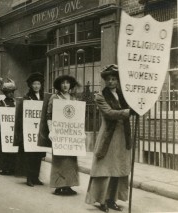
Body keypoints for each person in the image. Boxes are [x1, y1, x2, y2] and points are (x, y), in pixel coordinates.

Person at [85, 64, 133, 212]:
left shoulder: (124, 96)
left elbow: (133, 109)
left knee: (118, 168)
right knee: (105, 168)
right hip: (108, 136)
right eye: (109, 79)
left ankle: (112, 199)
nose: (111, 82)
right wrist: (127, 112)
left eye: (114, 79)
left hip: (122, 136)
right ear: (105, 81)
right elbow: (109, 113)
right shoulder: (100, 96)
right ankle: (101, 200)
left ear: (118, 81)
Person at [47, 75, 80, 195]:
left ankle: (68, 185)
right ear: (59, 85)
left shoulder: (73, 98)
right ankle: (58, 185)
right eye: (63, 83)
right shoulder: (54, 97)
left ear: (70, 85)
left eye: (67, 83)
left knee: (71, 159)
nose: (65, 85)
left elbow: (77, 116)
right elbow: (49, 115)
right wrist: (51, 130)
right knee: (59, 159)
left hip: (71, 133)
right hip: (59, 132)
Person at [19, 73, 46, 187]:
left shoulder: (44, 97)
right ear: (30, 85)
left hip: (39, 129)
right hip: (30, 129)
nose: (36, 86)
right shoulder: (27, 98)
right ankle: (29, 177)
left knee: (39, 154)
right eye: (34, 84)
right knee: (30, 154)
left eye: (38, 84)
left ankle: (36, 177)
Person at [0, 79, 17, 175]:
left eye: (12, 92)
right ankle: (4, 167)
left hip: (13, 130)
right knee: (4, 150)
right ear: (5, 93)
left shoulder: (16, 103)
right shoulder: (1, 103)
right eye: (9, 93)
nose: (11, 94)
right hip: (3, 131)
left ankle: (13, 167)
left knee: (13, 149)